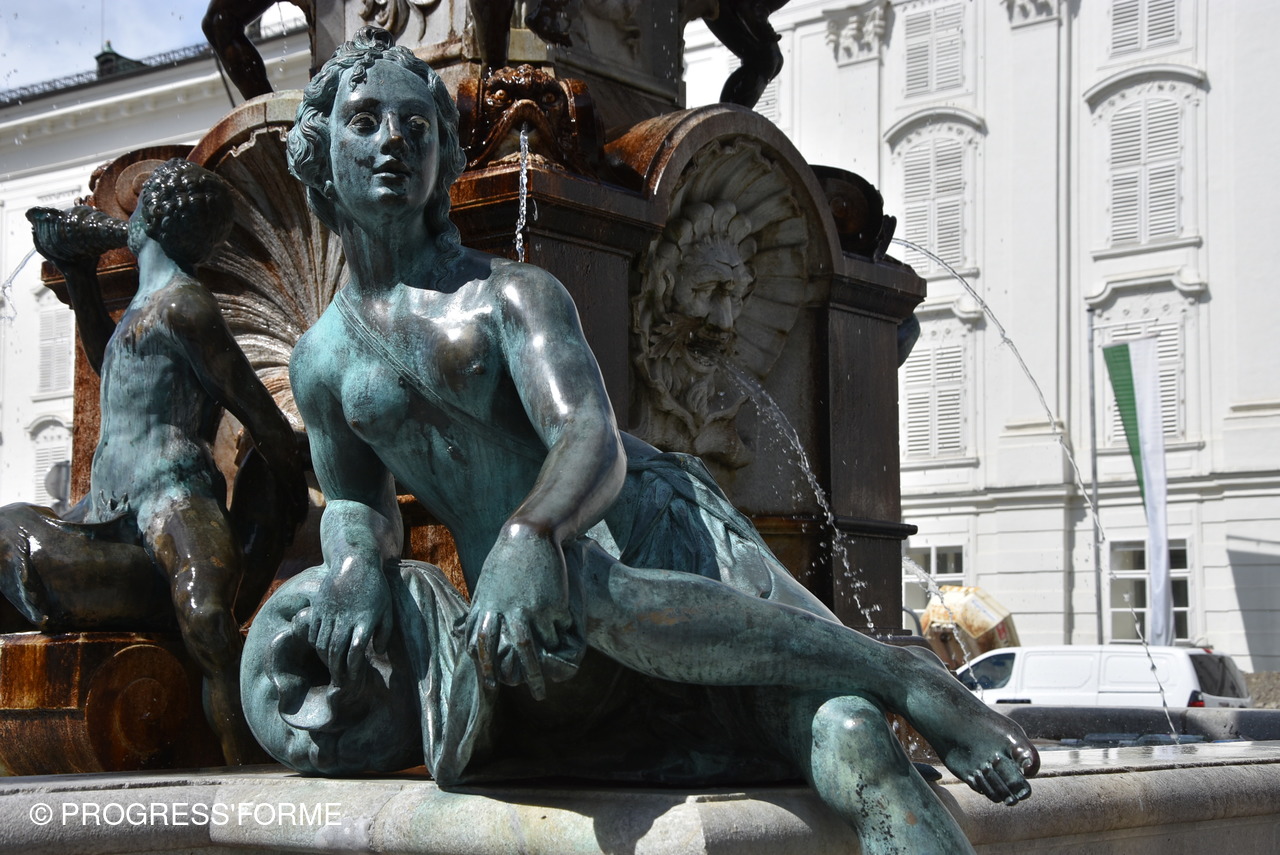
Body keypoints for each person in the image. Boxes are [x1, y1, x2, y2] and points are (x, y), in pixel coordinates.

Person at [243, 27, 1036, 854]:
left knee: (849, 732)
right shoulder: (322, 359)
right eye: (364, 121)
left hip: (657, 550)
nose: (393, 142)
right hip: (543, 632)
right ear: (319, 152)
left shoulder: (509, 296)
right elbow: (355, 501)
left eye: (416, 126)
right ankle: (895, 670)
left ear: (444, 155)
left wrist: (533, 529)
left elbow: (589, 434)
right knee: (591, 601)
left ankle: (902, 676)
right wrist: (353, 567)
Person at [4, 159, 307, 765]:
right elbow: (111, 364)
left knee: (208, 615)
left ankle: (241, 759)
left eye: (137, 207)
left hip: (172, 499)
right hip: (108, 502)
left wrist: (289, 480)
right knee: (12, 528)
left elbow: (251, 404)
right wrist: (79, 277)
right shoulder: (146, 306)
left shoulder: (187, 305)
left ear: (150, 220)